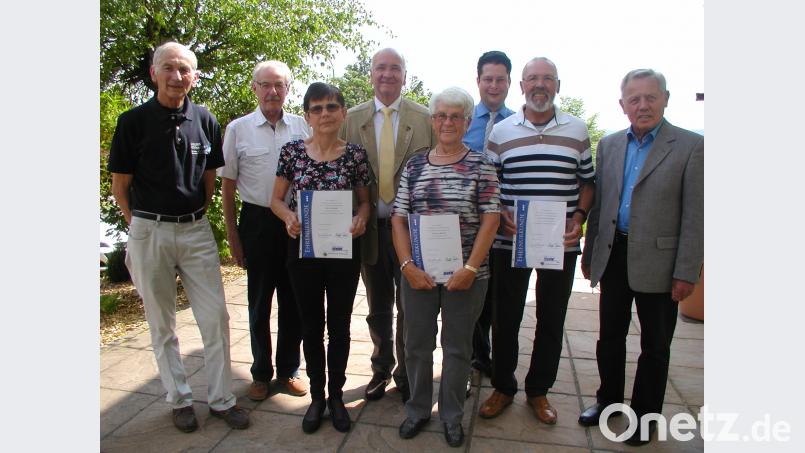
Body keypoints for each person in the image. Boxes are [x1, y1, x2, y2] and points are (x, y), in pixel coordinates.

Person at [108, 41, 249, 432]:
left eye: (184, 69)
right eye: (168, 67)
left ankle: (221, 400)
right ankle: (180, 399)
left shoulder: (205, 119)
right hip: (149, 230)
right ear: (154, 72)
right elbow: (121, 187)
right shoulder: (132, 121)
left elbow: (209, 178)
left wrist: (194, 215)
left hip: (195, 231)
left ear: (195, 76)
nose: (176, 76)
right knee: (162, 323)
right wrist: (140, 225)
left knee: (216, 317)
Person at [578, 69, 703, 446]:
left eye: (651, 97)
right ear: (623, 105)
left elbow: (696, 216)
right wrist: (591, 251)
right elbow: (601, 204)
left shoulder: (691, 146)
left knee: (655, 346)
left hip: (661, 264)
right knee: (609, 337)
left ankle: (646, 417)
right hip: (614, 254)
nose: (643, 105)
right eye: (635, 99)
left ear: (666, 99)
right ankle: (608, 402)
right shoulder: (610, 145)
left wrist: (687, 271)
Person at [479, 57, 595, 425]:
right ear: (522, 86)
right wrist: (501, 211)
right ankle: (502, 387)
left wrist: (579, 217)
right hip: (510, 241)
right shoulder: (502, 132)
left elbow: (587, 182)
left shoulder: (577, 130)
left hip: (560, 243)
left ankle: (539, 390)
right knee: (505, 318)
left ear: (558, 86)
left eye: (547, 79)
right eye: (532, 79)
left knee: (551, 318)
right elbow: (489, 184)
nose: (539, 85)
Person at [392, 87, 500, 448]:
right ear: (432, 120)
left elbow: (491, 219)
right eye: (441, 116)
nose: (448, 122)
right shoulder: (415, 165)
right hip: (418, 275)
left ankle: (452, 416)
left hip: (467, 276)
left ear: (467, 122)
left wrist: (470, 268)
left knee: (457, 348)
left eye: (456, 116)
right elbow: (398, 218)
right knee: (416, 344)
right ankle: (418, 410)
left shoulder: (481, 165)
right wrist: (407, 265)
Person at [271, 82, 371, 434]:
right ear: (307, 116)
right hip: (304, 251)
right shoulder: (292, 152)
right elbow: (276, 200)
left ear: (343, 113)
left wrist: (361, 218)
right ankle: (317, 397)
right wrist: (288, 216)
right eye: (317, 108)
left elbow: (365, 202)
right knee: (310, 326)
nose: (324, 114)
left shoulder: (356, 155)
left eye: (331, 107)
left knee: (339, 326)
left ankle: (337, 397)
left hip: (343, 252)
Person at [339, 48, 435, 403]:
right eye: (381, 68)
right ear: (371, 74)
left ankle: (406, 374)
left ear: (405, 76)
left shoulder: (425, 119)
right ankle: (381, 368)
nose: (387, 74)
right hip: (371, 232)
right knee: (378, 308)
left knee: (411, 306)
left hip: (411, 232)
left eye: (395, 68)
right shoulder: (351, 119)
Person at [219, 61, 310, 402]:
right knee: (259, 301)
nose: (272, 91)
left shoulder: (302, 126)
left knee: (293, 299)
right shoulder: (238, 129)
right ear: (254, 88)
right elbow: (228, 186)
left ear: (288, 89)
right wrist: (233, 235)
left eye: (279, 85)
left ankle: (289, 370)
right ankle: (260, 373)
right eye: (266, 85)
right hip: (256, 222)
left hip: (295, 221)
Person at [463, 50, 515, 382]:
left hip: (505, 228)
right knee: (469, 298)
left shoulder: (518, 125)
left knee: (499, 298)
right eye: (488, 79)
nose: (493, 85)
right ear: (478, 81)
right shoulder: (462, 121)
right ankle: (476, 357)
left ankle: (493, 359)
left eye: (500, 79)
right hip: (466, 227)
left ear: (510, 83)